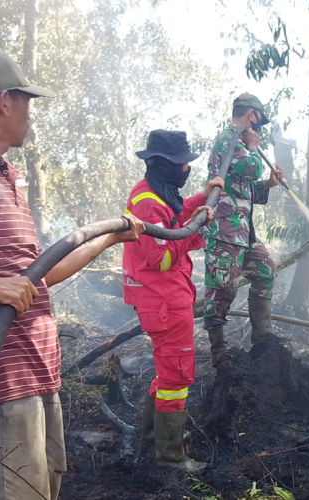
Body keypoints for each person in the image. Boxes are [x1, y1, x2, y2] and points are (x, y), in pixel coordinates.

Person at [0, 48, 145, 500]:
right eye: (26, 100)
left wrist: (110, 238)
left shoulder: (2, 175)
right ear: (4, 100)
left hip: (37, 377)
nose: (29, 112)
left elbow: (39, 274)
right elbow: (4, 284)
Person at [122, 130, 223, 471]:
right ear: (162, 164)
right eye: (181, 166)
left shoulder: (156, 193)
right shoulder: (148, 202)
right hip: (163, 301)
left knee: (168, 374)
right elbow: (161, 257)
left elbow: (175, 220)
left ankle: (152, 442)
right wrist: (198, 229)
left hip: (167, 298)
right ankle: (169, 456)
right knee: (176, 377)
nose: (185, 171)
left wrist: (202, 199)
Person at [202, 93, 287, 368]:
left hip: (243, 232)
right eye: (259, 119)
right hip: (224, 232)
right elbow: (249, 168)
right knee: (222, 290)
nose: (259, 126)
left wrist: (270, 184)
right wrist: (252, 147)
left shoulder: (239, 142)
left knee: (265, 270)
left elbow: (244, 189)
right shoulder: (229, 139)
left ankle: (263, 340)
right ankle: (219, 354)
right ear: (252, 115)